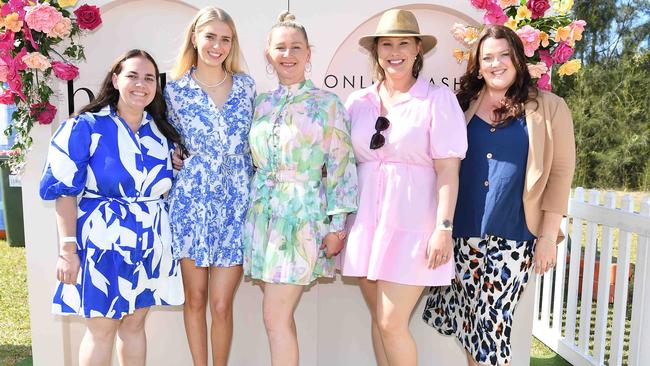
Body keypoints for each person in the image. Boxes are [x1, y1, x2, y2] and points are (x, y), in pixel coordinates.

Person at [422, 25, 576, 366]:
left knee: (492, 327)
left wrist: (548, 236)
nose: (496, 63)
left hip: (515, 235)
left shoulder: (550, 107)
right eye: (487, 57)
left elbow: (561, 174)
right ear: (478, 65)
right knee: (471, 325)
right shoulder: (460, 105)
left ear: (518, 59)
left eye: (504, 55)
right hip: (462, 233)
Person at [340, 9, 468, 366]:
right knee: (381, 323)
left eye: (403, 44)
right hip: (365, 225)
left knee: (391, 322)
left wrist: (443, 228)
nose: (394, 52)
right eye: (386, 45)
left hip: (414, 227)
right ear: (376, 52)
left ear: (416, 51)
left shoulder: (437, 100)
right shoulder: (358, 103)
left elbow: (447, 171)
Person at [39, 49, 183, 366]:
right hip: (101, 241)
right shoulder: (85, 127)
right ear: (116, 79)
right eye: (132, 75)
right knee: (101, 330)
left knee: (134, 327)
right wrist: (68, 250)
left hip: (149, 242)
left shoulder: (162, 134)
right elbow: (64, 192)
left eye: (149, 78)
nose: (141, 84)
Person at [243, 11, 358, 366]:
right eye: (280, 47)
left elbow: (342, 166)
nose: (288, 54)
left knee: (274, 317)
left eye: (296, 47)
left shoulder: (328, 104)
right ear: (268, 54)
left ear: (309, 53)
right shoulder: (260, 103)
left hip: (303, 219)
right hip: (262, 219)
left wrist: (338, 226)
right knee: (277, 318)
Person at [164, 6, 256, 366]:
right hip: (191, 202)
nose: (217, 46)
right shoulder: (174, 90)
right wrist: (174, 157)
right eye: (210, 36)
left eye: (225, 39)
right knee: (196, 299)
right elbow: (166, 141)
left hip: (236, 203)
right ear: (195, 37)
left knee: (221, 304)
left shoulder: (246, 86)